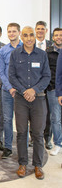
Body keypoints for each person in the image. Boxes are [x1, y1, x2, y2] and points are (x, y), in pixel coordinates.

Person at [9, 26, 50, 180]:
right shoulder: (15, 54)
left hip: (38, 98)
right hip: (21, 99)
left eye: (31, 35)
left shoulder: (42, 55)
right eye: (25, 35)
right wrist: (24, 91)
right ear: (21, 36)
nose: (28, 38)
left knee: (38, 134)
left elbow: (46, 76)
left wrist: (34, 90)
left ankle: (38, 166)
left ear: (35, 36)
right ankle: (22, 164)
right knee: (21, 133)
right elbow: (11, 76)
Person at [0, 23, 22, 159]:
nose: (12, 34)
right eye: (9, 31)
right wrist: (10, 87)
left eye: (14, 31)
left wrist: (19, 88)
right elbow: (1, 72)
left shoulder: (25, 48)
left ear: (19, 32)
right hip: (7, 91)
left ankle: (22, 147)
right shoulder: (3, 50)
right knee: (7, 119)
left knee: (22, 121)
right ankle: (8, 147)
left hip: (22, 92)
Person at [35, 21, 53, 150]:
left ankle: (47, 138)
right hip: (33, 86)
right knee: (33, 113)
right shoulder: (29, 45)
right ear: (35, 30)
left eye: (43, 29)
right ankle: (33, 137)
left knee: (48, 113)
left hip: (48, 85)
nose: (40, 31)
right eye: (38, 29)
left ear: (46, 31)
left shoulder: (51, 46)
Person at [46, 28, 62, 156]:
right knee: (55, 118)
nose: (58, 37)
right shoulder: (48, 52)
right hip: (54, 90)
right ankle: (58, 143)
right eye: (56, 35)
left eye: (61, 35)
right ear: (53, 37)